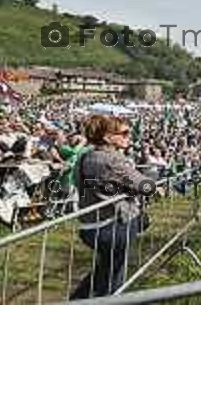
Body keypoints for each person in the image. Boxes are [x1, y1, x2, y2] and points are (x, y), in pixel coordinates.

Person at [70, 115, 152, 299]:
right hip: (111, 226)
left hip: (89, 225)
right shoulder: (112, 160)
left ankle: (78, 299)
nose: (128, 136)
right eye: (123, 133)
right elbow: (143, 185)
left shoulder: (85, 157)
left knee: (104, 269)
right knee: (113, 279)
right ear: (107, 137)